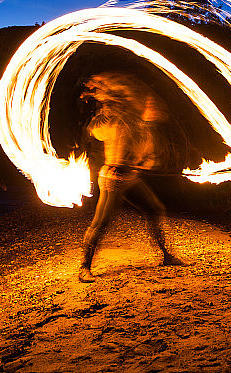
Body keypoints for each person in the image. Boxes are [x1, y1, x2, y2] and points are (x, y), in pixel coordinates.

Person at [78, 72, 185, 283]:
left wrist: (147, 160)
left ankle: (166, 256)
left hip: (130, 177)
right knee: (101, 222)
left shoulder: (138, 124)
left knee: (154, 209)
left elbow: (145, 149)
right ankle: (84, 267)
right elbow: (94, 130)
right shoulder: (113, 121)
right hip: (113, 179)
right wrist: (99, 99)